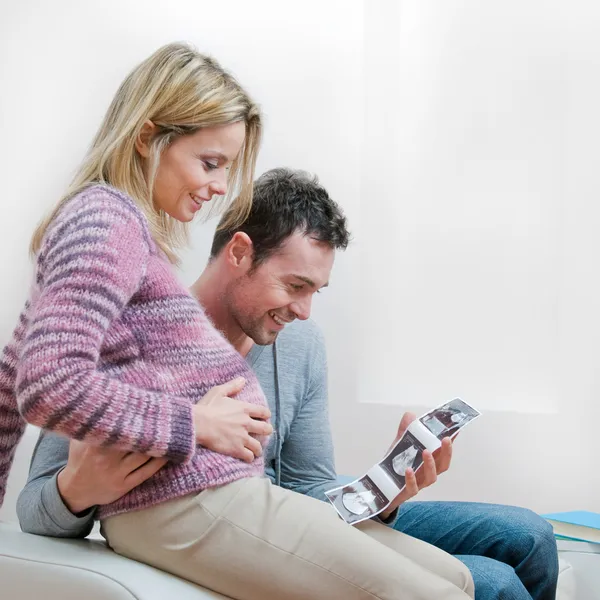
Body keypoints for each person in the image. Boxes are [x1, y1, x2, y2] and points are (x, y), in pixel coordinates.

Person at [0, 45, 473, 600]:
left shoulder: (117, 227)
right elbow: (48, 384)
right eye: (210, 162)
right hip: (176, 500)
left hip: (215, 490)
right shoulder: (105, 219)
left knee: (457, 578)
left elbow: (13, 374)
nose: (222, 187)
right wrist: (193, 425)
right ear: (148, 137)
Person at [18, 168, 558, 599]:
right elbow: (33, 505)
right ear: (239, 253)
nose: (302, 310)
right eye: (294, 285)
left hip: (302, 516)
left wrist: (388, 493)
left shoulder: (300, 344)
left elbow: (309, 486)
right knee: (492, 584)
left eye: (315, 291)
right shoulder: (136, 341)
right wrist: (77, 492)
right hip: (237, 524)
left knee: (528, 535)